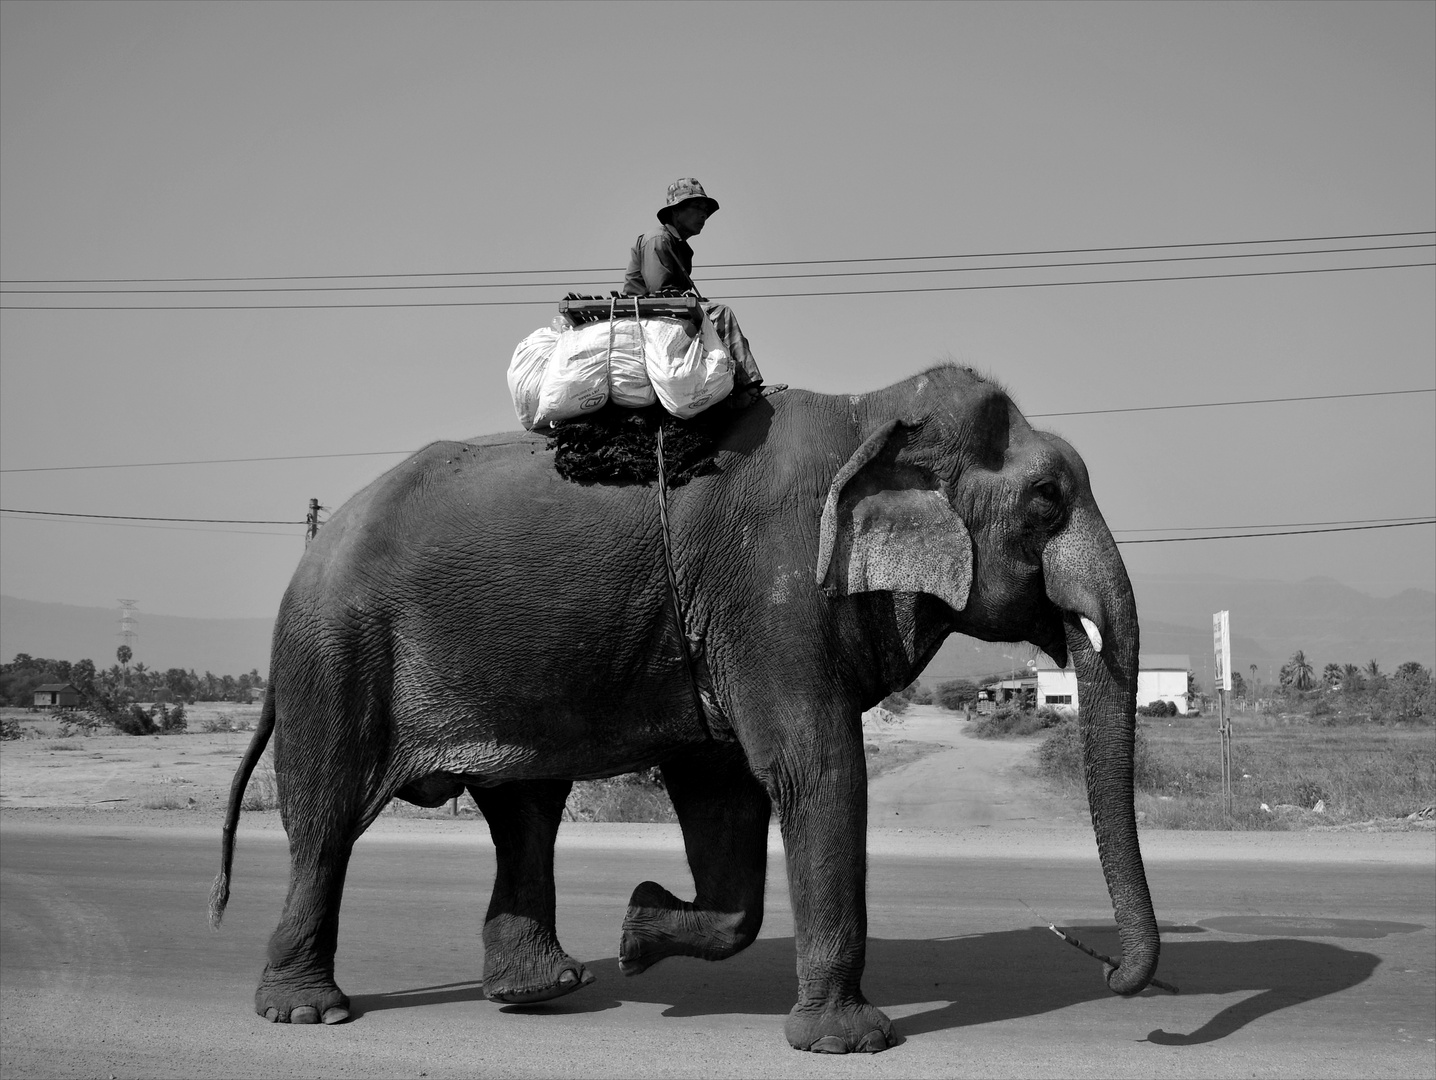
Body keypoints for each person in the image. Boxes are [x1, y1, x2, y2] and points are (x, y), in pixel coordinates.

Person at [622, 178, 763, 391]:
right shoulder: (658, 239)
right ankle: (748, 384)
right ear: (676, 211)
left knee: (720, 324)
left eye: (706, 210)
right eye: (697, 207)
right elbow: (659, 291)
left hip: (667, 308)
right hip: (648, 312)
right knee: (721, 313)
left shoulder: (682, 247)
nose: (704, 215)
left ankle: (726, 384)